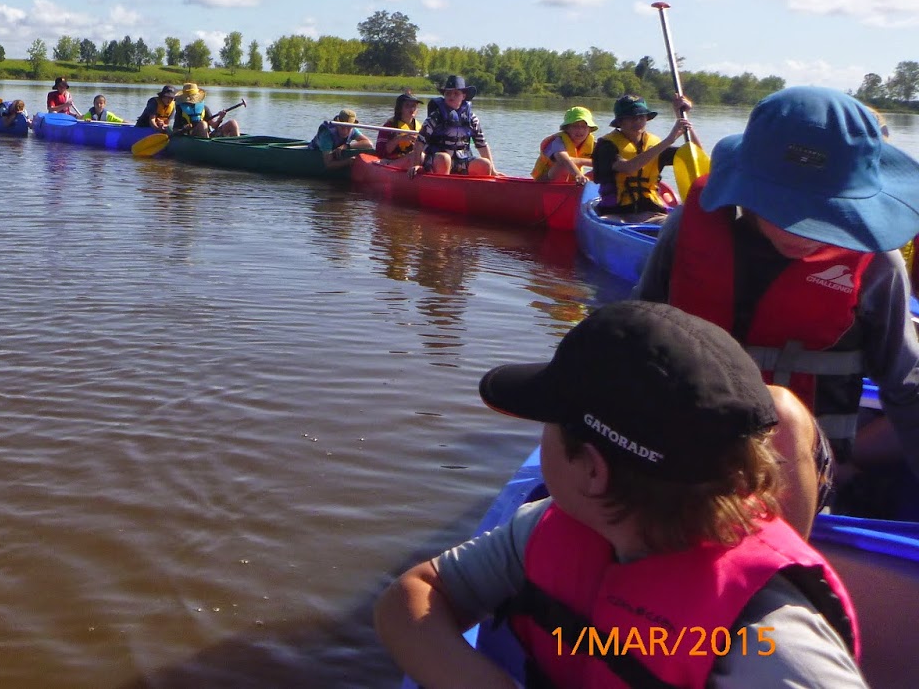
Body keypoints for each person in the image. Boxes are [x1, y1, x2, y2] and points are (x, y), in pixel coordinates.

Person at [375, 300, 865, 689]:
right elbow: (410, 598)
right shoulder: (545, 530)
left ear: (591, 470)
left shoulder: (769, 643)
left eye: (549, 423)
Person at [636, 86, 919, 532]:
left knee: (785, 416)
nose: (798, 226)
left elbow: (907, 387)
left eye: (824, 211)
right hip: (687, 456)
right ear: (743, 189)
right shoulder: (686, 231)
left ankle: (785, 565)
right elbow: (633, 339)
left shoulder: (877, 265)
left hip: (805, 472)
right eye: (781, 205)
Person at [592, 93, 693, 220]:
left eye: (641, 117)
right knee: (608, 221)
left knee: (682, 222)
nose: (637, 121)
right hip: (615, 213)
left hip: (651, 212)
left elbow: (694, 155)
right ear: (620, 121)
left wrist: (683, 117)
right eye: (631, 117)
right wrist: (669, 140)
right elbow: (628, 168)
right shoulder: (606, 145)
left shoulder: (655, 145)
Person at [407, 75, 495, 178]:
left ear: (463, 96)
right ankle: (441, 188)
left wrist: (493, 171)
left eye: (456, 93)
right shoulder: (436, 116)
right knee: (445, 158)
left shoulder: (472, 118)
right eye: (448, 93)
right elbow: (419, 142)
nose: (451, 96)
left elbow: (482, 144)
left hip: (462, 160)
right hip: (436, 160)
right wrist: (416, 165)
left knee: (485, 164)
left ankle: (476, 190)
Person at [533, 106, 598, 185]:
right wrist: (579, 174)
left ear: (589, 129)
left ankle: (588, 185)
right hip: (544, 181)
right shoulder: (556, 142)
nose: (580, 130)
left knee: (606, 166)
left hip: (574, 180)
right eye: (575, 126)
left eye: (584, 127)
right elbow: (564, 159)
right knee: (563, 164)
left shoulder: (593, 144)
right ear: (566, 128)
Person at [173, 83, 240, 138]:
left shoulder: (204, 108)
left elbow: (214, 125)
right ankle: (208, 147)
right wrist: (184, 128)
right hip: (193, 136)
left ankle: (238, 145)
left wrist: (220, 118)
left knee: (233, 123)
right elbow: (175, 130)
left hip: (209, 135)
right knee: (203, 124)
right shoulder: (180, 110)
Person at [376, 92, 421, 166]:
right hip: (390, 162)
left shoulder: (420, 127)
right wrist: (399, 139)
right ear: (400, 108)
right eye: (407, 106)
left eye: (414, 106)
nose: (412, 109)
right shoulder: (389, 126)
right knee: (413, 156)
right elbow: (380, 152)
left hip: (412, 161)